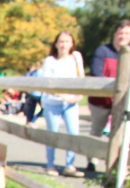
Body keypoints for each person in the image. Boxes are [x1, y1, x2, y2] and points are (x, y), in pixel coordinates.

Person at [87, 19, 130, 172]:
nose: (123, 36)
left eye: (126, 33)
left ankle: (117, 164)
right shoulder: (103, 51)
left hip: (121, 102)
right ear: (115, 34)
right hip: (101, 100)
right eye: (120, 32)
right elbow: (96, 72)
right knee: (97, 130)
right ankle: (92, 160)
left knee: (120, 132)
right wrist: (114, 87)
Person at [42, 31, 85, 177]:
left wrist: (79, 95)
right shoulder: (50, 61)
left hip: (71, 103)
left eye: (67, 41)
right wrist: (64, 96)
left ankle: (70, 165)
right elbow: (47, 84)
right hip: (53, 102)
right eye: (61, 41)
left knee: (73, 133)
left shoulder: (76, 57)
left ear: (71, 43)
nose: (64, 44)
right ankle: (51, 165)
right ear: (56, 44)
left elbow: (81, 76)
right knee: (53, 134)